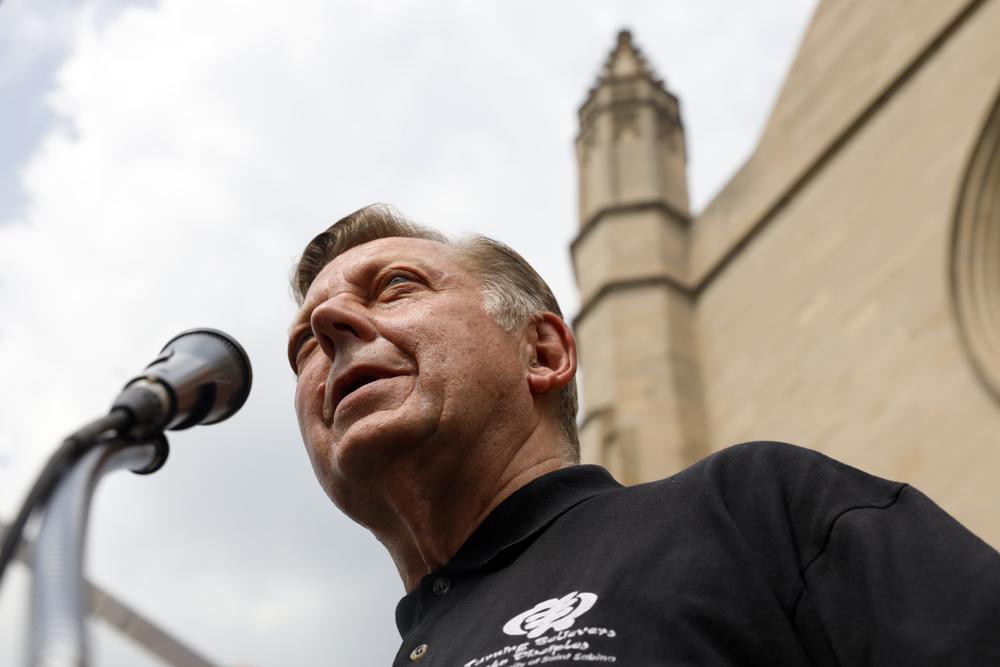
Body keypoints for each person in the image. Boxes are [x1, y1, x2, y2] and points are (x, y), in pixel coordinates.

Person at [288, 204, 1000, 666]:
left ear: (542, 352)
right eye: (303, 346)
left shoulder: (750, 510)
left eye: (397, 287)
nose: (329, 328)